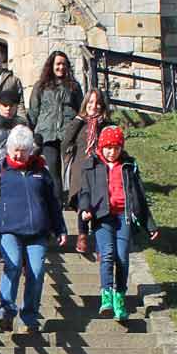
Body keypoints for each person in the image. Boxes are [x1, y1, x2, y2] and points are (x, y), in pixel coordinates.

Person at [0, 125, 67, 332]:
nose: (19, 155)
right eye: (15, 150)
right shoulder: (0, 169)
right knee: (13, 265)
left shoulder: (41, 171)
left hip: (37, 232)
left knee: (36, 272)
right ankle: (6, 312)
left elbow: (53, 203)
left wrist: (60, 229)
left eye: (24, 150)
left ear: (30, 151)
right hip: (9, 229)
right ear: (9, 149)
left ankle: (29, 317)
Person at [77, 125, 159, 322]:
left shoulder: (129, 166)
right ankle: (106, 296)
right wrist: (86, 209)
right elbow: (85, 192)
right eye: (107, 148)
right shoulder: (92, 165)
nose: (111, 152)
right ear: (101, 147)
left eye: (115, 148)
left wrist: (150, 225)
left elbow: (139, 195)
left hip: (123, 216)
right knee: (107, 254)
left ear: (121, 148)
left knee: (122, 257)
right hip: (102, 217)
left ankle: (119, 298)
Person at [27, 50, 83, 206]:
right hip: (47, 134)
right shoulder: (41, 86)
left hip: (69, 133)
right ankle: (57, 203)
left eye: (64, 64)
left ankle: (74, 200)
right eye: (58, 64)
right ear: (51, 66)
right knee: (53, 171)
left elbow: (81, 109)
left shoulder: (74, 87)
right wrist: (31, 132)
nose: (61, 67)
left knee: (71, 170)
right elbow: (33, 110)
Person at [62, 88, 111, 255]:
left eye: (97, 103)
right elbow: (66, 141)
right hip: (81, 167)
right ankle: (82, 235)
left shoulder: (105, 124)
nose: (94, 106)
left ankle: (99, 243)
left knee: (98, 203)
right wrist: (78, 119)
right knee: (83, 200)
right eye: (91, 102)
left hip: (99, 168)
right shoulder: (79, 122)